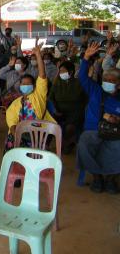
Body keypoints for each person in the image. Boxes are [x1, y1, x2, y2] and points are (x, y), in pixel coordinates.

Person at [77, 42, 120, 194]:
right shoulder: (96, 90)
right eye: (105, 80)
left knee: (117, 147)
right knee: (84, 144)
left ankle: (110, 179)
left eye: (111, 81)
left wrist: (116, 119)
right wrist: (86, 57)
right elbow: (82, 77)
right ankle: (97, 177)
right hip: (92, 129)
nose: (107, 83)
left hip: (114, 132)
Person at [5, 43, 55, 151]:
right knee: (11, 148)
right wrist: (17, 136)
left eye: (28, 84)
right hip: (20, 134)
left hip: (39, 133)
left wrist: (38, 55)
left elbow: (42, 76)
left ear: (34, 86)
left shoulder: (39, 96)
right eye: (23, 84)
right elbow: (12, 123)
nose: (25, 86)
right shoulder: (16, 103)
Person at [48, 61, 86, 154]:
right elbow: (50, 98)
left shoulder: (79, 83)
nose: (61, 73)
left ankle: (67, 143)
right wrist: (55, 110)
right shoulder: (57, 83)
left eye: (63, 71)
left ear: (71, 72)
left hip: (74, 112)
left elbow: (84, 101)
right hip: (58, 111)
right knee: (49, 124)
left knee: (69, 128)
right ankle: (45, 144)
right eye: (60, 71)